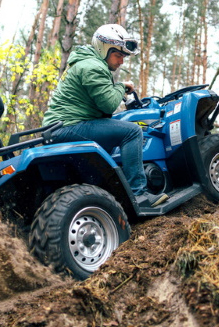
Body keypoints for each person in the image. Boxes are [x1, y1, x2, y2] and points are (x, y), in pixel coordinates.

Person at [42, 24, 168, 208]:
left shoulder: (86, 63)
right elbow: (108, 103)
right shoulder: (92, 66)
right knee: (132, 132)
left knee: (114, 129)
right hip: (67, 126)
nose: (121, 62)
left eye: (123, 57)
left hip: (63, 126)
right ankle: (139, 196)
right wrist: (121, 86)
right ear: (103, 49)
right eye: (118, 55)